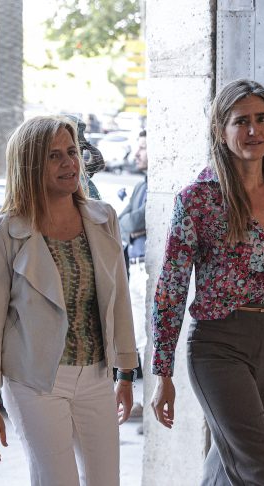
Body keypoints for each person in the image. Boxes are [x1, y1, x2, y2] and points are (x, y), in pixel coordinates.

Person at [150, 79, 264, 486]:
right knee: (262, 470)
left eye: (262, 119)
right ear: (220, 131)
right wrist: (162, 372)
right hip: (219, 345)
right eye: (241, 121)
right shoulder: (197, 199)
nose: (254, 130)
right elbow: (171, 286)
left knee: (230, 465)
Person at [0, 115, 138, 486]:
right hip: (34, 382)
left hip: (96, 375)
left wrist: (126, 372)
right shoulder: (4, 233)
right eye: (54, 156)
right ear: (29, 165)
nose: (69, 163)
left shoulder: (103, 218)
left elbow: (119, 300)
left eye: (72, 152)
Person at [118, 130, 148, 364]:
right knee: (139, 336)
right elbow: (121, 222)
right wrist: (136, 229)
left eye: (143, 148)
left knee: (150, 339)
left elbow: (137, 221)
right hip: (134, 268)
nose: (136, 153)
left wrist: (135, 227)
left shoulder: (158, 187)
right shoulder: (140, 187)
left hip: (148, 268)